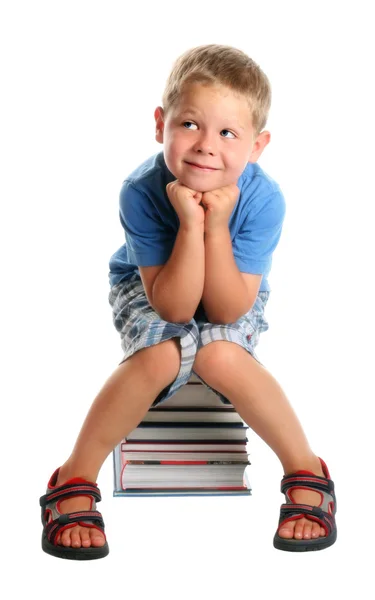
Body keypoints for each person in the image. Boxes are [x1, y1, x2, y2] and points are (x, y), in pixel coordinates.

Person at [39, 44, 337, 560]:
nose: (205, 146)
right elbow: (174, 308)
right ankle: (74, 474)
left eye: (227, 133)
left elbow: (225, 311)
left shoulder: (265, 200)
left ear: (257, 146)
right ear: (161, 124)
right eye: (190, 125)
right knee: (161, 352)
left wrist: (215, 225)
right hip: (151, 281)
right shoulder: (141, 190)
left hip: (234, 286)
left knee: (221, 352)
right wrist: (192, 222)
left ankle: (307, 469)